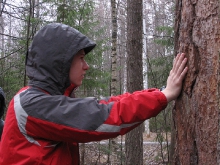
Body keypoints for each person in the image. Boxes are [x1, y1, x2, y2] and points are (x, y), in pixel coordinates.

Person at [0, 23, 188, 165]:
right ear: (60, 62)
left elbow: (107, 104)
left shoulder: (44, 100)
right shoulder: (31, 104)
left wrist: (161, 92)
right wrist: (163, 97)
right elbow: (99, 115)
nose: (86, 66)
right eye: (81, 58)